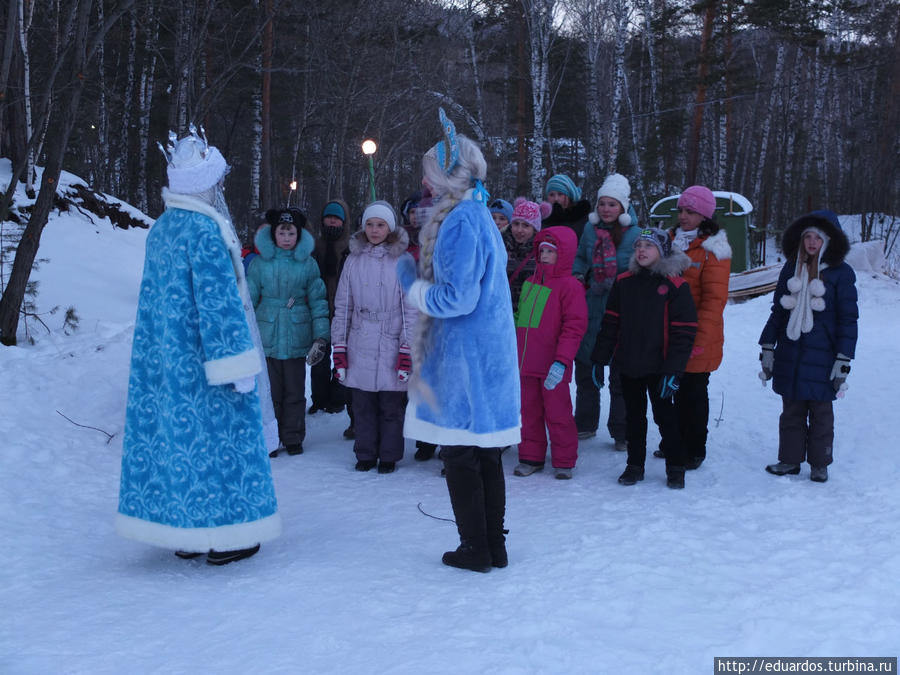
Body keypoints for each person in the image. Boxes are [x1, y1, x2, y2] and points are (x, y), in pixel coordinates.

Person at [116, 126, 280, 565]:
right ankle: (228, 535)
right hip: (210, 365)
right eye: (217, 181)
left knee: (180, 445)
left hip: (170, 363)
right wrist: (237, 366)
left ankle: (186, 531)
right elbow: (218, 305)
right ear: (205, 183)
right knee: (221, 446)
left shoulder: (163, 229)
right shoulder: (206, 231)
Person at [396, 108, 520, 572]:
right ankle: (492, 544)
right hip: (482, 355)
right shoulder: (476, 215)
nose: (425, 184)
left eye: (430, 174)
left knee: (462, 454)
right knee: (482, 453)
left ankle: (476, 547)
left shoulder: (462, 221)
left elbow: (458, 298)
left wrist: (411, 283)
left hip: (465, 360)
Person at [592, 228, 697, 489]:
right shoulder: (624, 282)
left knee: (666, 418)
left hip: (660, 367)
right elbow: (610, 324)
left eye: (648, 246)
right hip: (628, 364)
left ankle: (675, 466)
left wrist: (674, 370)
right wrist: (599, 359)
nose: (641, 250)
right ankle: (634, 465)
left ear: (662, 252)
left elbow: (684, 332)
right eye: (638, 245)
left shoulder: (676, 285)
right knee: (633, 418)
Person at [758, 210, 858, 483]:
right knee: (791, 409)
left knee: (821, 412)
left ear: (829, 241)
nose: (812, 243)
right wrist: (768, 344)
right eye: (807, 237)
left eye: (818, 238)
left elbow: (848, 320)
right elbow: (778, 311)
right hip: (791, 353)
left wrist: (843, 358)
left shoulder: (842, 274)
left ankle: (819, 463)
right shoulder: (791, 268)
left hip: (824, 356)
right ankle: (789, 460)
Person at [331, 200, 417, 474]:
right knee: (363, 404)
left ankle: (389, 455)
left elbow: (411, 308)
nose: (375, 230)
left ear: (389, 228)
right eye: (370, 224)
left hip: (391, 340)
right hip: (360, 339)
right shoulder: (353, 260)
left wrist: (407, 347)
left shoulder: (402, 261)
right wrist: (340, 346)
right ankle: (365, 453)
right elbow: (343, 306)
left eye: (380, 225)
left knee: (391, 406)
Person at [651, 185, 732, 470]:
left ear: (705, 216)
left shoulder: (714, 250)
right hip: (667, 331)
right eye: (681, 211)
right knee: (667, 391)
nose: (683, 216)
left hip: (697, 334)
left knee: (693, 394)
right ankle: (672, 440)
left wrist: (699, 338)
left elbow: (714, 299)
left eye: (691, 211)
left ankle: (694, 448)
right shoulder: (669, 240)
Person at [247, 208, 330, 457]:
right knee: (270, 392)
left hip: (297, 334)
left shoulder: (308, 264)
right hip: (267, 334)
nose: (285, 237)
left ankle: (293, 436)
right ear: (273, 234)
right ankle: (270, 438)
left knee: (295, 391)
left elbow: (318, 301)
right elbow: (248, 300)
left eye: (290, 232)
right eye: (281, 232)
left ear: (298, 235)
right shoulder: (260, 263)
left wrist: (320, 336)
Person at [513, 226, 588, 480]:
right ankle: (530, 456)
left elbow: (574, 327)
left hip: (553, 365)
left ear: (564, 254)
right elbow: (521, 322)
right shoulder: (530, 283)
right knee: (528, 411)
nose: (544, 255)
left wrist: (562, 360)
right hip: (526, 364)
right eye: (542, 250)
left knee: (558, 413)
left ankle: (564, 459)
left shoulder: (570, 286)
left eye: (551, 251)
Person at [572, 173, 640, 448]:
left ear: (623, 208)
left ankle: (621, 430)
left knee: (620, 374)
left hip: (622, 308)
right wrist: (578, 275)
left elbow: (642, 264)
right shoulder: (590, 231)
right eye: (602, 204)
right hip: (591, 304)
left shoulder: (635, 234)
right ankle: (586, 422)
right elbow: (580, 256)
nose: (606, 209)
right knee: (586, 366)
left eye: (612, 205)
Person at [308, 199, 352, 415]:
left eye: (337, 218)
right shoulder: (314, 247)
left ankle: (337, 398)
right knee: (319, 359)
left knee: (342, 359)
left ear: (343, 222)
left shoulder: (351, 249)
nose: (332, 222)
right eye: (329, 217)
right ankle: (319, 398)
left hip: (344, 312)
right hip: (319, 312)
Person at [505, 198, 550, 319]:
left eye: (526, 225)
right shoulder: (501, 246)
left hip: (528, 313)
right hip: (503, 309)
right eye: (516, 224)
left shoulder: (542, 252)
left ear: (535, 229)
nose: (519, 230)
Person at [541, 173, 592, 241]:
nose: (556, 198)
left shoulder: (582, 217)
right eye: (551, 195)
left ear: (569, 196)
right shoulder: (543, 219)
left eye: (560, 194)